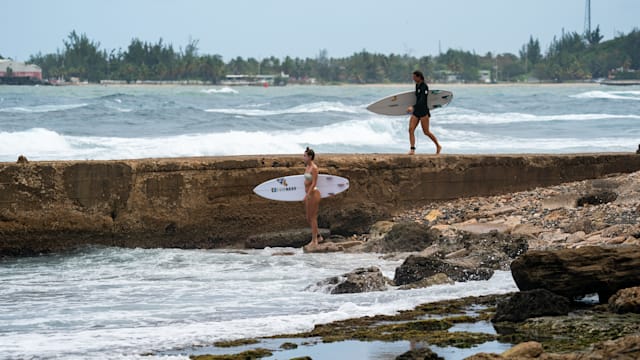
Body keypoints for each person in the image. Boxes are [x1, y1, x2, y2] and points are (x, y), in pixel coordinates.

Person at [407, 70, 442, 155]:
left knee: (426, 132)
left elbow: (422, 100)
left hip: (423, 112)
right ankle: (412, 149)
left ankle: (438, 145)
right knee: (411, 129)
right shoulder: (417, 85)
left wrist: (413, 107)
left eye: (414, 77)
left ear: (419, 77)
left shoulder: (424, 87)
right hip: (416, 112)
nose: (413, 78)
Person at [303, 147, 322, 247]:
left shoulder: (314, 168)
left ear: (310, 157)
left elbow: (314, 182)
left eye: (305, 156)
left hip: (313, 194)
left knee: (313, 217)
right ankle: (318, 235)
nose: (304, 158)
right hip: (309, 194)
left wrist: (308, 194)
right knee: (308, 218)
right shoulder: (307, 167)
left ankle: (314, 241)